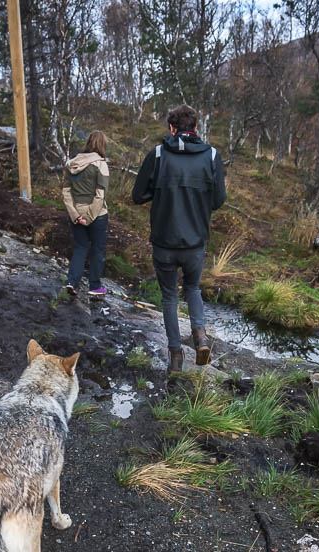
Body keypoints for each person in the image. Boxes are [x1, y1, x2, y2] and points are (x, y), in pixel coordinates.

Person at [131, 105, 226, 373]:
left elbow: (137, 196)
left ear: (171, 129)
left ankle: (175, 356)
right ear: (195, 128)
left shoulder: (158, 154)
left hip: (163, 242)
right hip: (195, 241)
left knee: (170, 297)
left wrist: (162, 192)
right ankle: (200, 337)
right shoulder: (212, 156)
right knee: (193, 288)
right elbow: (218, 200)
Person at [62, 131, 111, 297]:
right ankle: (95, 286)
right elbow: (100, 194)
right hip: (97, 215)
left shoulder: (71, 163)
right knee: (97, 250)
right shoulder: (100, 164)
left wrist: (75, 215)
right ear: (102, 145)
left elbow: (66, 192)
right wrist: (89, 217)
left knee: (80, 248)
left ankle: (72, 283)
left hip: (76, 212)